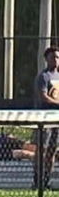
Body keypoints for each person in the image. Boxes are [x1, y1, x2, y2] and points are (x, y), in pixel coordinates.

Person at [34, 45, 59, 185]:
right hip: (45, 118)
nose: (55, 60)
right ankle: (37, 179)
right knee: (41, 148)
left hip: (57, 119)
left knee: (52, 150)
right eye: (52, 57)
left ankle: (47, 180)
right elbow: (44, 96)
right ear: (47, 59)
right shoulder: (43, 77)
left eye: (57, 57)